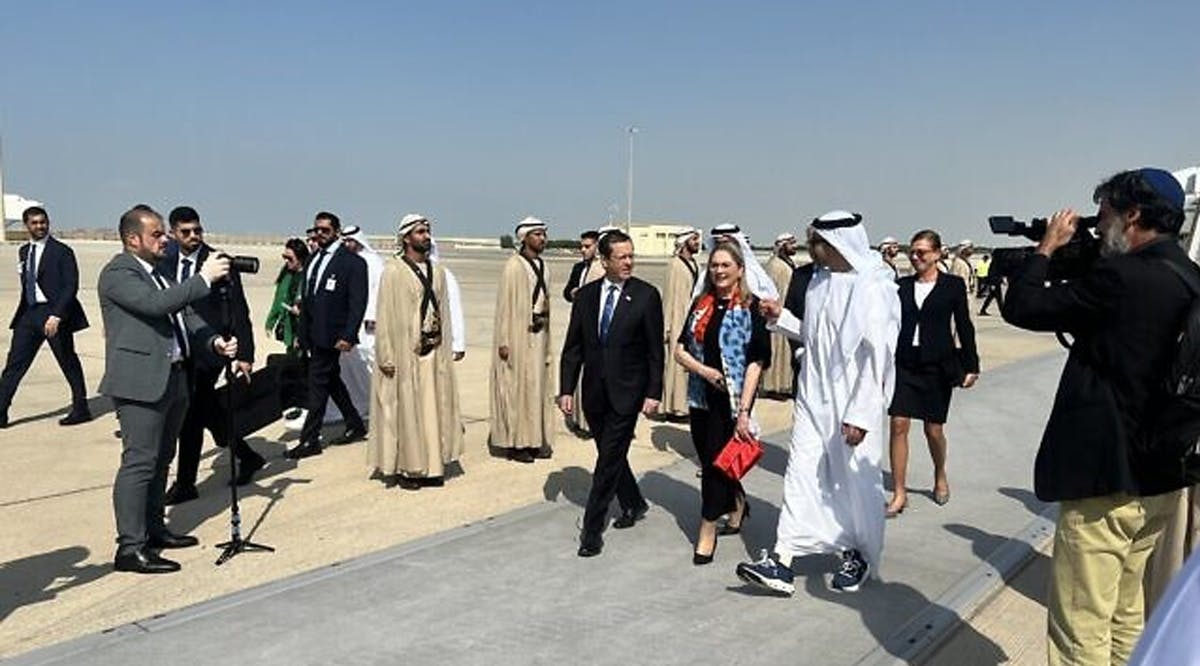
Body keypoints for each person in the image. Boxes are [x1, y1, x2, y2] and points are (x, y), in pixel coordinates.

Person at [1001, 168, 1193, 665]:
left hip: (1106, 480)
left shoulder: (1122, 278)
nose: (1096, 224)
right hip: (1160, 476)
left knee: (1080, 624)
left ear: (1132, 215)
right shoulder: (1188, 278)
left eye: (1103, 214)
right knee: (1127, 612)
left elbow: (1024, 306)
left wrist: (1047, 247)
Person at [736, 210, 900, 595]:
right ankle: (783, 559)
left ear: (837, 244)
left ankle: (855, 552)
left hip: (852, 403)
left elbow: (878, 357)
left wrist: (860, 414)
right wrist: (782, 318)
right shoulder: (818, 283)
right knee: (801, 471)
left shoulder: (874, 286)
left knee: (851, 483)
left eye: (817, 243)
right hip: (813, 395)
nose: (811, 249)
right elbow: (815, 337)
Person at [99, 204, 237, 574]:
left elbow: (186, 314)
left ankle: (154, 529)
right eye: (157, 234)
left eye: (164, 233)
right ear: (133, 239)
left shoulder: (158, 272)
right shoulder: (119, 273)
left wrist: (213, 342)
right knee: (139, 463)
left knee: (162, 459)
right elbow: (157, 305)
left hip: (174, 377)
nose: (165, 239)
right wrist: (204, 279)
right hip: (140, 382)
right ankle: (130, 547)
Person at [558, 229, 664, 557]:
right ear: (604, 261)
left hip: (627, 392)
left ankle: (592, 528)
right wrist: (566, 389)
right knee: (611, 452)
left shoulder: (646, 296)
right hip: (593, 392)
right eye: (622, 257)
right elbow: (573, 347)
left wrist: (653, 392)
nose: (629, 262)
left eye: (632, 256)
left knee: (607, 460)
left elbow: (653, 351)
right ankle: (633, 502)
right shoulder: (586, 296)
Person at [158, 206, 265, 505]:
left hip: (209, 351)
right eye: (186, 232)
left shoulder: (218, 262)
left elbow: (239, 310)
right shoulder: (164, 260)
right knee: (207, 413)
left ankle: (186, 483)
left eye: (198, 230)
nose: (193, 236)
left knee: (190, 416)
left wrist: (245, 353)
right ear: (173, 232)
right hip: (177, 348)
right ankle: (248, 455)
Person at [673, 241, 770, 565]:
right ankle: (738, 501)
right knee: (710, 459)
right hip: (701, 398)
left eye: (726, 265)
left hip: (731, 403)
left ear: (740, 269)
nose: (719, 271)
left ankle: (707, 528)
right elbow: (680, 349)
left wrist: (745, 411)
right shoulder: (701, 304)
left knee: (715, 468)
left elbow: (757, 362)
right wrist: (704, 371)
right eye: (714, 265)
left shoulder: (751, 307)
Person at [885, 230, 979, 517]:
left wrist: (971, 365)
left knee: (933, 429)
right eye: (911, 252)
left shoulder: (952, 286)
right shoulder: (900, 286)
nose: (915, 257)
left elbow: (964, 326)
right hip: (905, 363)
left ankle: (940, 473)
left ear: (937, 253)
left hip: (938, 365)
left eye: (922, 252)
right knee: (898, 423)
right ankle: (899, 491)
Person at [370, 214, 464, 489]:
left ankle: (433, 466)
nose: (426, 236)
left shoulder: (439, 271)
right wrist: (385, 355)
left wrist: (447, 347)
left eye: (428, 231)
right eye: (420, 231)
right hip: (404, 354)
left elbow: (444, 312)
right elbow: (384, 315)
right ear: (406, 237)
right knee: (407, 412)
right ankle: (408, 469)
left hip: (433, 353)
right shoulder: (393, 271)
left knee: (433, 410)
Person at [286, 211, 369, 460]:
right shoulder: (313, 260)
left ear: (336, 231)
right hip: (313, 333)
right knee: (330, 380)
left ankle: (309, 439)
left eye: (325, 230)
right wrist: (302, 333)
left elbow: (357, 303)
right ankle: (355, 424)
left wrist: (349, 334)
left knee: (318, 385)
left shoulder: (353, 263)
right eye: (317, 230)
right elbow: (309, 299)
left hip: (333, 335)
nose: (320, 234)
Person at [0, 206, 91, 428]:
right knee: (14, 364)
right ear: (26, 226)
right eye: (35, 223)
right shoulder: (23, 251)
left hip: (54, 314)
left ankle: (81, 408)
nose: (40, 226)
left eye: (43, 222)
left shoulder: (62, 251)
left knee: (67, 361)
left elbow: (71, 286)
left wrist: (57, 315)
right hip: (29, 314)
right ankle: (1, 411)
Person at [490, 217, 555, 463]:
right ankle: (517, 444)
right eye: (537, 234)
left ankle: (536, 439)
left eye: (543, 234)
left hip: (539, 336)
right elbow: (505, 305)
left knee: (537, 389)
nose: (542, 239)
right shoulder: (514, 266)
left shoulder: (544, 266)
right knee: (517, 390)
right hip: (518, 337)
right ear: (524, 237)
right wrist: (504, 340)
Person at [331, 224, 385, 422]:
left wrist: (374, 315)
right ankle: (357, 402)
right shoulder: (347, 262)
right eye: (344, 241)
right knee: (349, 365)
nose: (347, 244)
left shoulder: (375, 262)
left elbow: (379, 291)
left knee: (369, 362)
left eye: (350, 241)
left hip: (368, 324)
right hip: (350, 322)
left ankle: (375, 403)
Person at [660, 227, 701, 419]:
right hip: (677, 319)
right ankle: (673, 408)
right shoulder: (675, 265)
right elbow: (669, 297)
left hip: (691, 318)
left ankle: (684, 405)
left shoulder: (693, 264)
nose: (697, 243)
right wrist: (667, 326)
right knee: (676, 366)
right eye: (694, 239)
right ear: (685, 242)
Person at [761, 233, 797, 397]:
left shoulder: (787, 263)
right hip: (776, 315)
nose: (794, 246)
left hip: (786, 313)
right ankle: (771, 386)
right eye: (791, 243)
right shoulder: (775, 265)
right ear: (783, 245)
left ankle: (782, 385)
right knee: (776, 349)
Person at [265, 238, 310, 358]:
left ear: (300, 258)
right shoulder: (287, 274)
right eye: (284, 257)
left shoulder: (309, 275)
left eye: (290, 258)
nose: (286, 261)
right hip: (290, 325)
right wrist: (271, 322)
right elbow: (279, 299)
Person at [562, 230, 603, 302]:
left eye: (587, 247)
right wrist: (572, 293)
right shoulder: (578, 267)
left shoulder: (604, 268)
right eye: (581, 247)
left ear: (597, 247)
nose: (583, 250)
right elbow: (567, 292)